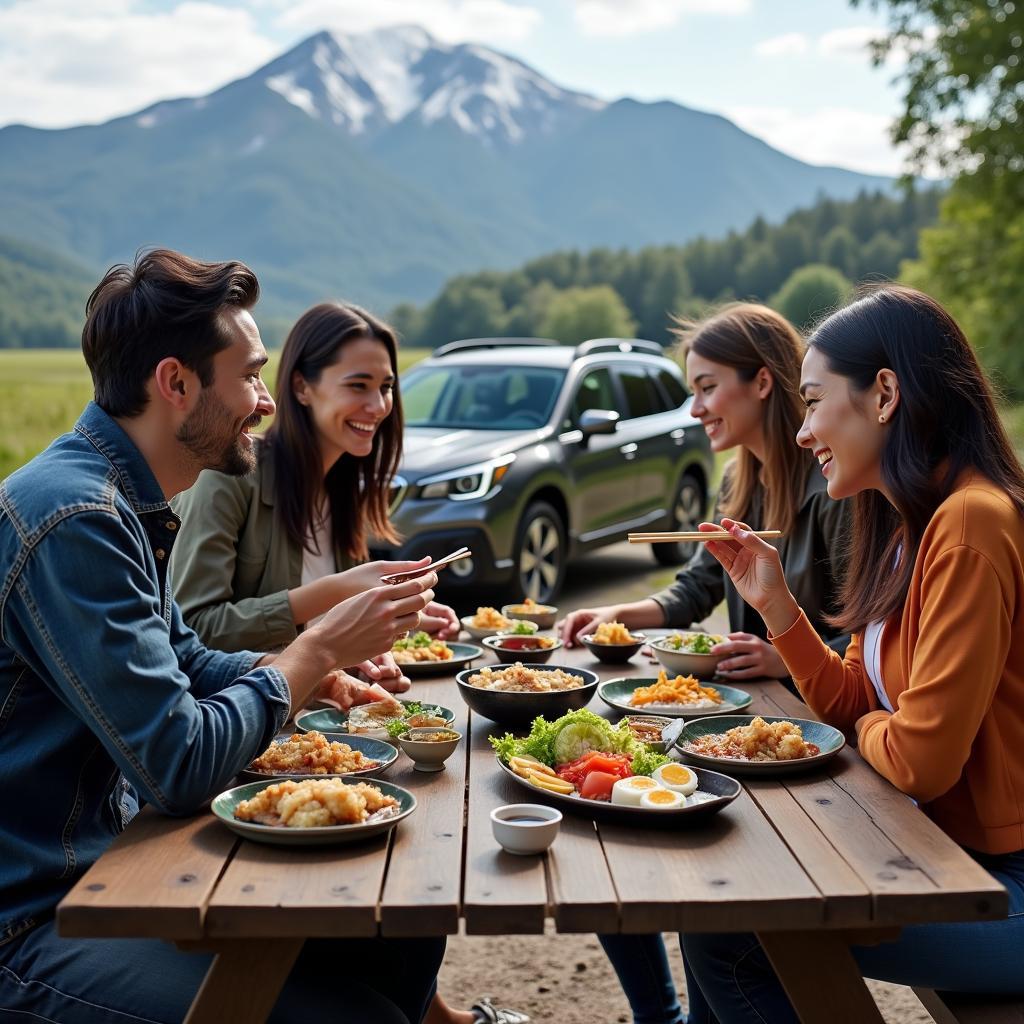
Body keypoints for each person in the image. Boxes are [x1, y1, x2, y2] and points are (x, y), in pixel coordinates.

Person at [0, 249, 444, 1023]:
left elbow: (188, 656)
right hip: (36, 917)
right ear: (176, 384)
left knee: (400, 929)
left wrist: (305, 675)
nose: (266, 402)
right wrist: (311, 652)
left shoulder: (120, 500)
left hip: (113, 864)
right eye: (251, 376)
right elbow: (175, 764)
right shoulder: (76, 518)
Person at [169, 301, 528, 1024]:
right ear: (299, 386)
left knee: (431, 840)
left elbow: (331, 640)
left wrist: (380, 649)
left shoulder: (348, 488)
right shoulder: (232, 476)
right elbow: (194, 624)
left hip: (326, 736)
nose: (378, 406)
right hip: (245, 749)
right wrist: (332, 606)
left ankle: (432, 1014)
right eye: (358, 385)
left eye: (387, 388)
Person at [682, 285, 1024, 1021]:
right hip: (958, 856)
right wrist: (777, 605)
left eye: (813, 401)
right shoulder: (913, 523)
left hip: (1005, 884)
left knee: (733, 930)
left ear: (885, 395)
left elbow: (920, 759)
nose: (804, 433)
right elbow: (856, 697)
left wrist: (864, 730)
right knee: (717, 901)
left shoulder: (971, 525)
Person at [558, 304, 851, 1024]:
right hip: (740, 723)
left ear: (761, 382)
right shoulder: (735, 483)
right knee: (610, 818)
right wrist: (623, 614)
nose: (694, 408)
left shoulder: (837, 488)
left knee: (713, 894)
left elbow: (875, 636)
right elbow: (695, 588)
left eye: (706, 386)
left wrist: (785, 660)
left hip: (817, 736)